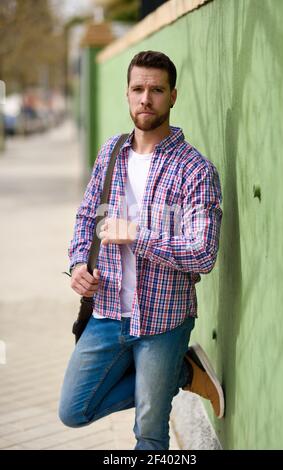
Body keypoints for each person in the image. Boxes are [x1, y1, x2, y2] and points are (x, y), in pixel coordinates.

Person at [59, 50, 224, 450]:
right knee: (74, 410)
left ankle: (169, 366)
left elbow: (203, 253)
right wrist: (78, 262)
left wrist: (137, 233)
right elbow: (87, 219)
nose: (145, 98)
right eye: (138, 88)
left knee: (149, 433)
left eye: (156, 90)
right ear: (127, 93)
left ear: (173, 96)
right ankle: (181, 373)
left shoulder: (195, 170)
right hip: (108, 311)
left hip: (164, 318)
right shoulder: (111, 154)